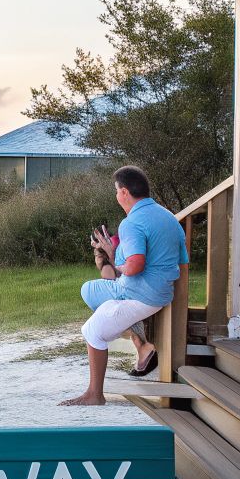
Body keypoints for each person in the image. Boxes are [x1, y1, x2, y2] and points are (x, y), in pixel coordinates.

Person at [59, 164, 188, 407]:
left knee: (92, 330)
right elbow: (181, 262)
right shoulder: (168, 217)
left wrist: (118, 264)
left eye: (117, 190)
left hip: (138, 294)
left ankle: (95, 394)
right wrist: (114, 254)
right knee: (90, 290)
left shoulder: (132, 223)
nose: (116, 194)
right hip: (160, 292)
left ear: (125, 192)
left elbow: (135, 264)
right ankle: (136, 338)